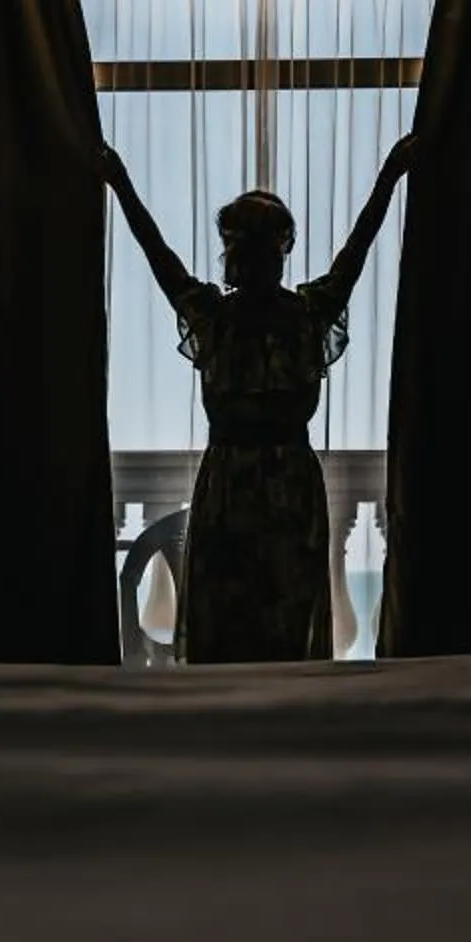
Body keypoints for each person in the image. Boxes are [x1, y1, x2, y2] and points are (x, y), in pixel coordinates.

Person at [102, 134, 414, 664]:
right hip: (290, 481)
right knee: (284, 625)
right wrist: (389, 174)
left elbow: (157, 253)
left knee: (229, 624)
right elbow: (357, 249)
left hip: (231, 482)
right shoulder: (306, 316)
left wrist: (121, 184)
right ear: (281, 250)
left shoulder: (215, 318)